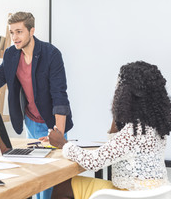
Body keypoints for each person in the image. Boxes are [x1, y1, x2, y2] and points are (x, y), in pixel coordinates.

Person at [0, 11, 73, 198]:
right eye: (12, 32)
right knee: (33, 175)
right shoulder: (11, 54)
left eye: (19, 32)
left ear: (32, 31)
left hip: (52, 123)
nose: (15, 37)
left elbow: (59, 95)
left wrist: (59, 134)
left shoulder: (51, 54)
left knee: (49, 179)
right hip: (30, 121)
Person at [49, 61, 171, 199]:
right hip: (153, 192)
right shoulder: (152, 127)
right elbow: (118, 147)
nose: (117, 88)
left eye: (120, 86)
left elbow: (93, 162)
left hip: (132, 194)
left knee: (63, 186)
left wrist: (62, 143)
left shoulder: (133, 132)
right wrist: (119, 113)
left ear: (127, 94)